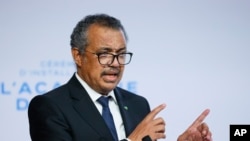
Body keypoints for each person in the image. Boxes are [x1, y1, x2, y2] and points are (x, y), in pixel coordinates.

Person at [28, 13, 212, 141]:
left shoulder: (137, 104)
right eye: (105, 54)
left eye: (121, 54)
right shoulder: (50, 107)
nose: (116, 63)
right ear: (78, 56)